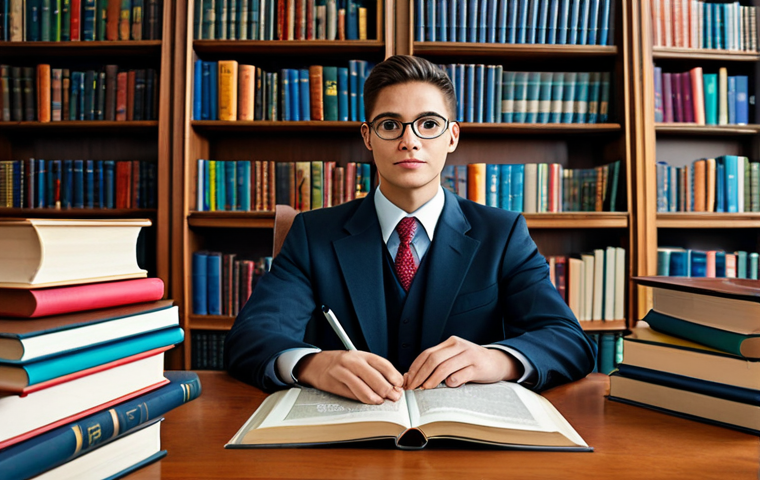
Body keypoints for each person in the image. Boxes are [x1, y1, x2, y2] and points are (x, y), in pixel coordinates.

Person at [224, 55, 597, 405]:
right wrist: (311, 365)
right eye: (390, 125)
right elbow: (249, 339)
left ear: (452, 137)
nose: (410, 141)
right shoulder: (312, 234)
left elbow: (569, 342)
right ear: (368, 137)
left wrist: (497, 360)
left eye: (429, 124)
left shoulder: (503, 234)